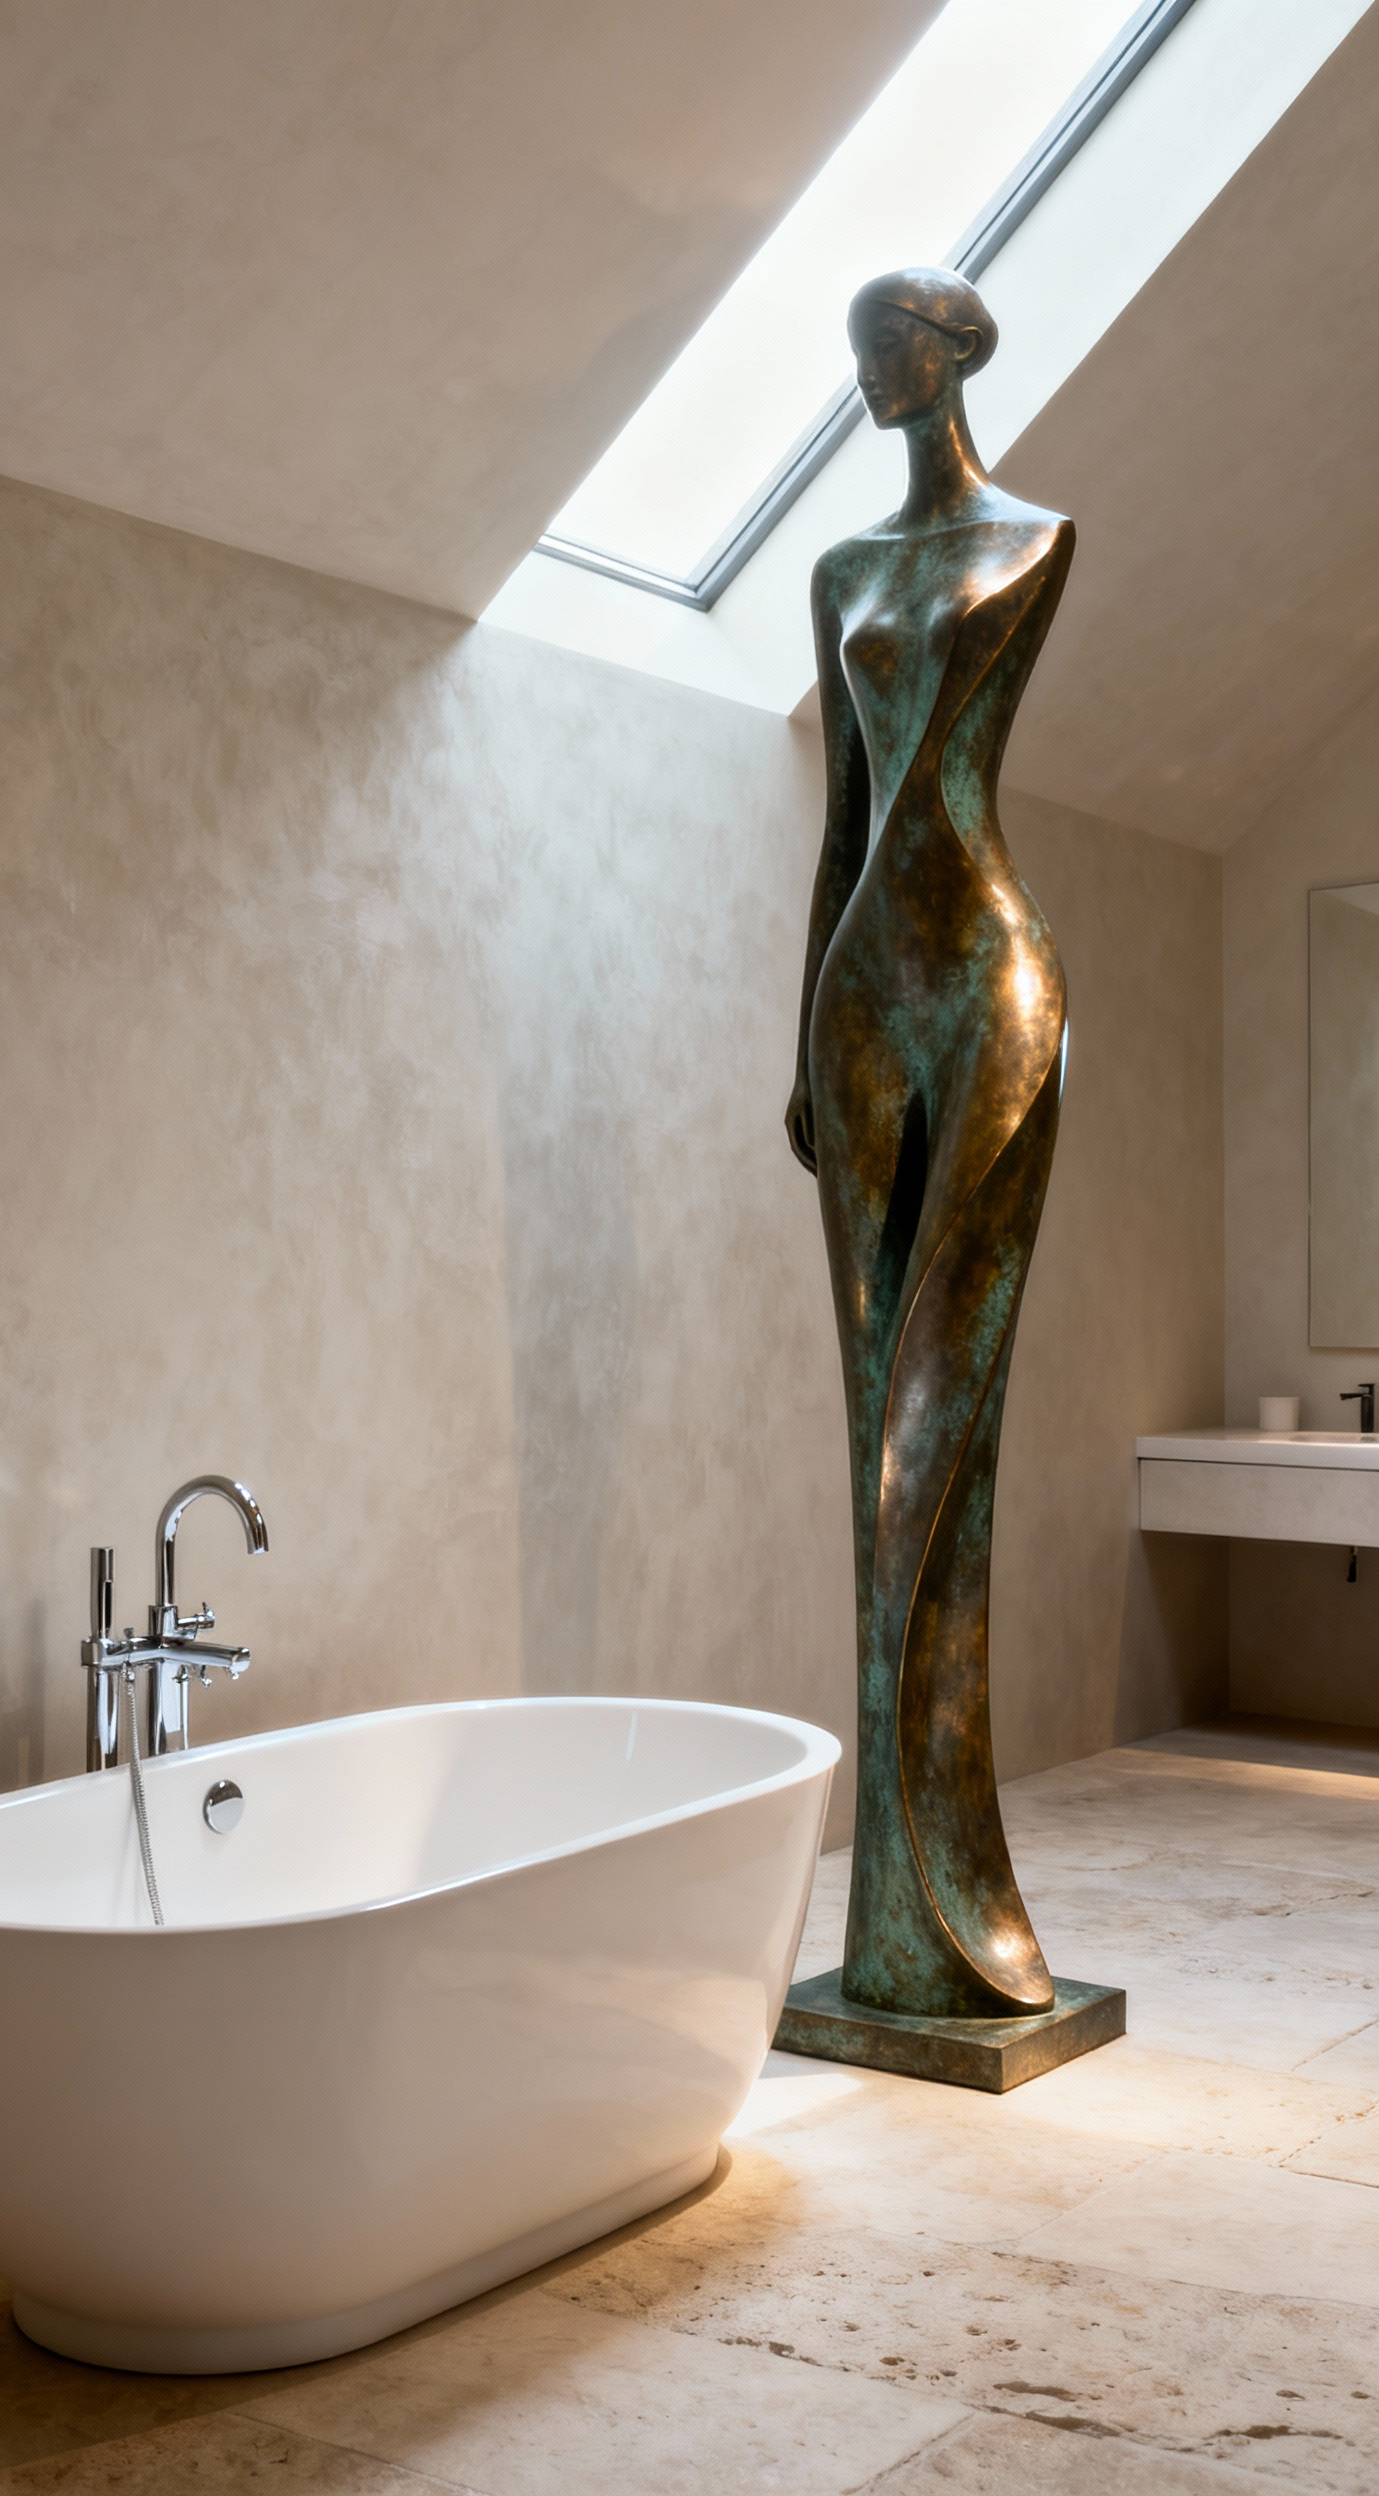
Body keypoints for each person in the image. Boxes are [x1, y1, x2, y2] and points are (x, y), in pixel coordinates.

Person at [786, 268, 1070, 2018]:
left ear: (951, 350)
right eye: (855, 353)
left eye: (888, 344)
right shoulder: (835, 573)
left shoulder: (1038, 539)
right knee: (870, 1427)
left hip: (994, 983)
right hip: (863, 996)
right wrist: (798, 1040)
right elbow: (840, 829)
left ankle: (958, 1911)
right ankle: (897, 1925)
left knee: (947, 1417)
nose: (868, 376)